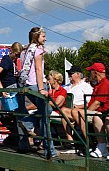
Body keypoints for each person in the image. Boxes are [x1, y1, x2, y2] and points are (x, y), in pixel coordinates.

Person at [16, 27, 57, 159]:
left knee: (45, 114)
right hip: (36, 84)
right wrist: (41, 88)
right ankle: (49, 151)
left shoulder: (24, 50)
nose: (45, 38)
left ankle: (28, 122)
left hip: (26, 85)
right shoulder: (38, 50)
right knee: (47, 113)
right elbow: (39, 70)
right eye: (43, 36)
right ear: (36, 37)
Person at [71, 62, 109, 158]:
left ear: (95, 72)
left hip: (102, 113)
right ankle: (73, 142)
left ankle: (89, 141)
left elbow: (97, 103)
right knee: (67, 111)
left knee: (75, 112)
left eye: (91, 71)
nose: (90, 74)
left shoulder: (105, 84)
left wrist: (85, 113)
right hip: (96, 111)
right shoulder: (98, 85)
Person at [61, 65, 93, 148]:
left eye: (71, 73)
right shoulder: (66, 87)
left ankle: (86, 139)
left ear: (78, 74)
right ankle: (70, 139)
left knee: (67, 111)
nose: (69, 75)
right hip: (66, 110)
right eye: (68, 73)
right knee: (63, 111)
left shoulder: (86, 86)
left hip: (78, 110)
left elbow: (89, 103)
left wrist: (78, 106)